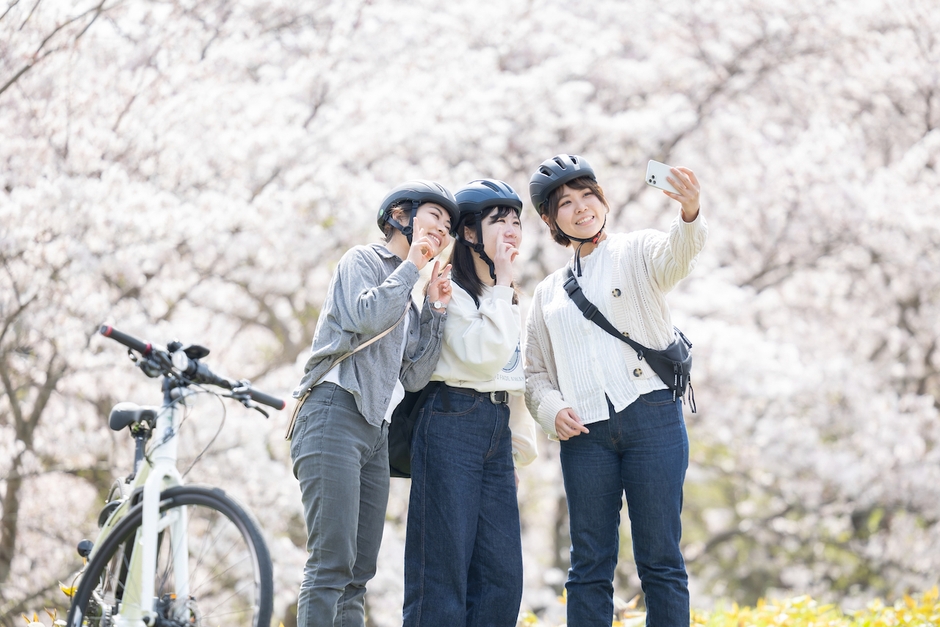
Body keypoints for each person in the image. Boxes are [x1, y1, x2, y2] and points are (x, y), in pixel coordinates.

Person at [523, 154, 707, 627]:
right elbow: (536, 374)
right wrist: (551, 409)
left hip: (652, 419)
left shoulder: (638, 249)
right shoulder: (547, 293)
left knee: (660, 560)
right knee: (588, 566)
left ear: (602, 200)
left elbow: (678, 257)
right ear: (550, 220)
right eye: (566, 203)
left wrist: (688, 213)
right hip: (585, 435)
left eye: (588, 195)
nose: (581, 207)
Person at [290, 180, 458, 627]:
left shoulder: (410, 292)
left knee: (359, 573)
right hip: (333, 411)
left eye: (448, 226)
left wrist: (436, 311)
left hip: (376, 432)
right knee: (330, 564)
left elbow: (415, 375)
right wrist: (412, 269)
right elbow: (365, 315)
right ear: (401, 215)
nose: (443, 229)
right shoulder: (363, 261)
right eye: (435, 217)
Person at [403, 179, 538, 627]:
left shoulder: (506, 295)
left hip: (494, 431)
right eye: (499, 221)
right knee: (441, 574)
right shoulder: (447, 286)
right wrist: (503, 283)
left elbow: (511, 374)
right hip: (451, 421)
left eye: (516, 221)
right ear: (471, 233)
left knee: (503, 577)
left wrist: (513, 449)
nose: (511, 230)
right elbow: (482, 359)